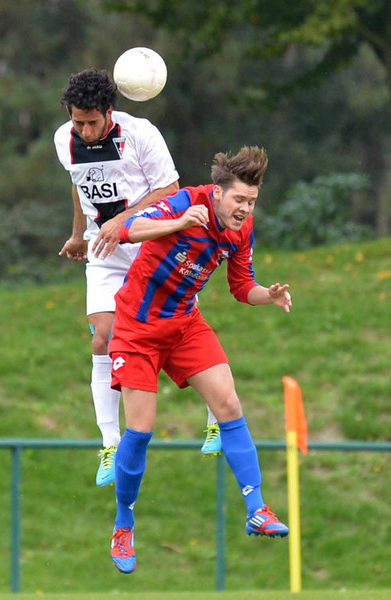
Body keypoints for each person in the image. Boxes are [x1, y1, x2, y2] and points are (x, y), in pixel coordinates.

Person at [108, 145, 291, 574]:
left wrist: (268, 296)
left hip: (184, 325)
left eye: (252, 202)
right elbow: (128, 229)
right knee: (140, 430)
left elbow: (241, 285)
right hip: (137, 328)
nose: (245, 209)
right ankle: (123, 524)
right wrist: (179, 222)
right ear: (218, 191)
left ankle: (257, 509)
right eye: (239, 199)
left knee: (228, 402)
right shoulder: (187, 202)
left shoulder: (241, 230)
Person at [54, 68, 219, 487]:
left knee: (179, 331)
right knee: (103, 337)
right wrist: (77, 234)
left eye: (92, 122)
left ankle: (217, 415)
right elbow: (78, 184)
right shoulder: (63, 139)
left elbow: (171, 191)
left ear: (109, 111)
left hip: (154, 244)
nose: (85, 130)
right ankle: (110, 444)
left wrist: (122, 220)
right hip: (105, 250)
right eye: (78, 122)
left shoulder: (141, 134)